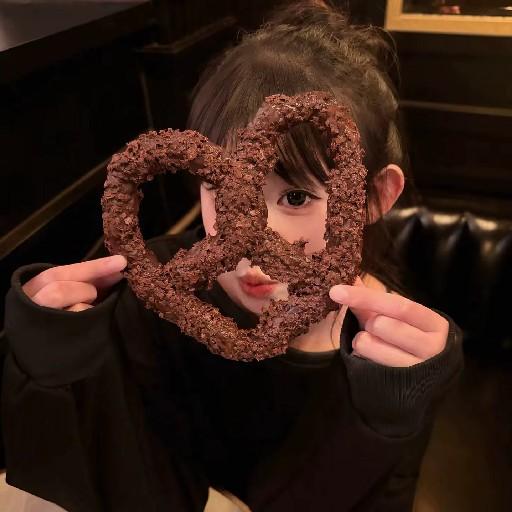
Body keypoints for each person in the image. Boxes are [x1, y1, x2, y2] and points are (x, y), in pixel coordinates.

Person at [1, 2, 464, 511]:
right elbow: (104, 477)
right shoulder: (152, 299)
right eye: (221, 192)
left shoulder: (391, 356)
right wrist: (53, 368)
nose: (246, 247)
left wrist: (387, 421)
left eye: (295, 197)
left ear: (373, 197)